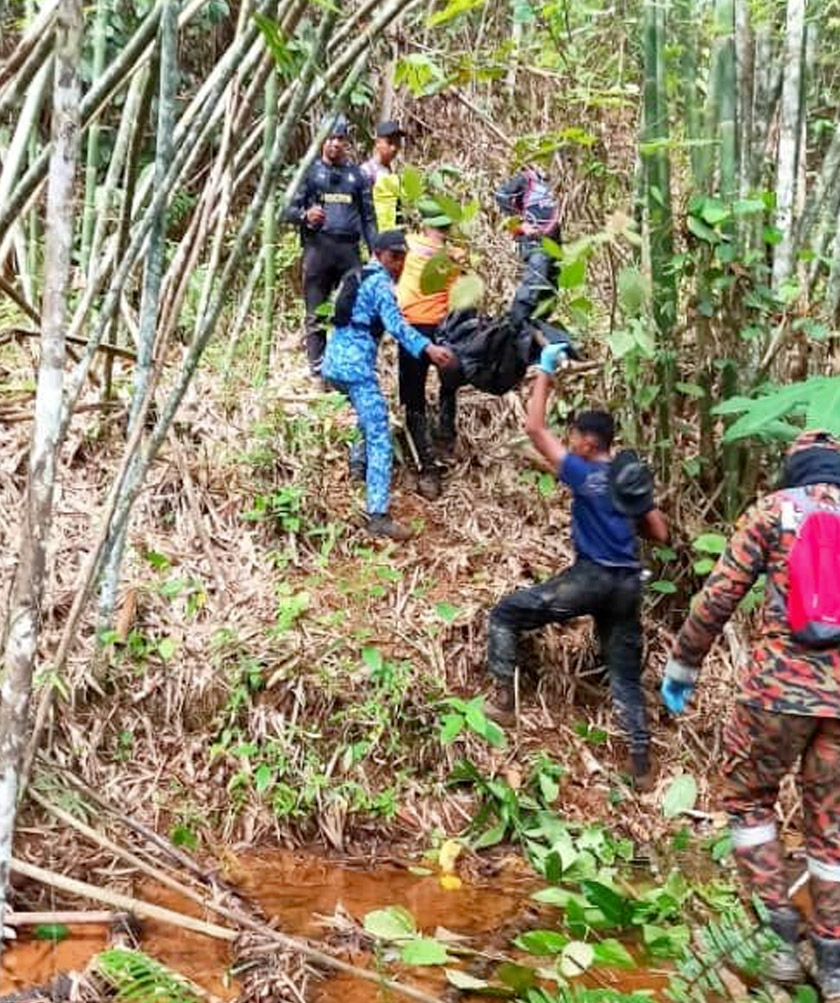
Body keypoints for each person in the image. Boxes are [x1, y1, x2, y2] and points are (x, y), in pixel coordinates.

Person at [662, 430, 840, 995]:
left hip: (775, 690)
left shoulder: (773, 511)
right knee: (833, 826)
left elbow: (718, 596)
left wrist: (684, 665)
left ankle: (780, 938)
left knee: (748, 801)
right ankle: (834, 959)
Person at [485, 344, 669, 787]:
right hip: (628, 584)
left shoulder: (583, 472)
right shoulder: (626, 481)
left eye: (574, 437)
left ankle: (503, 703)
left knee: (506, 614)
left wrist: (545, 373)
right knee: (624, 675)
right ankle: (640, 767)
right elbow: (661, 533)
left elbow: (533, 427)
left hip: (591, 578)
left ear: (589, 443)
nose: (569, 442)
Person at [322, 229, 456, 541]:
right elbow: (397, 326)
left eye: (403, 259)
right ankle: (378, 515)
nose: (398, 264)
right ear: (379, 254)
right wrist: (429, 349)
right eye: (394, 257)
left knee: (367, 413)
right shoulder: (380, 283)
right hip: (356, 368)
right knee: (380, 432)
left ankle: (357, 465)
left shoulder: (355, 275)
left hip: (334, 364)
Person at [283, 115, 377, 377]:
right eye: (330, 138)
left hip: (349, 253)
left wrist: (376, 252)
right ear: (322, 139)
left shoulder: (357, 176)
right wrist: (305, 216)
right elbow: (285, 210)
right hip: (318, 250)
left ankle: (347, 368)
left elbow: (369, 218)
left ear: (346, 142)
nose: (335, 143)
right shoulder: (310, 173)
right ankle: (317, 371)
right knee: (315, 314)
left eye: (340, 138)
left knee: (353, 313)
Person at [396, 206, 464, 499]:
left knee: (413, 397)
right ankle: (442, 438)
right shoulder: (454, 256)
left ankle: (427, 464)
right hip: (437, 327)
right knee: (447, 380)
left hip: (415, 328)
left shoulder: (405, 245)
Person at [494, 165, 561, 331]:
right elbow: (501, 196)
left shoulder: (554, 183)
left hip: (552, 242)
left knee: (550, 288)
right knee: (534, 282)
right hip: (534, 242)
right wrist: (521, 223)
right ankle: (516, 326)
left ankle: (537, 325)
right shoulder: (526, 178)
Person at [361, 121, 404, 231]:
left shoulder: (392, 173)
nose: (394, 148)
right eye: (389, 143)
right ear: (378, 143)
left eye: (397, 143)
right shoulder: (367, 171)